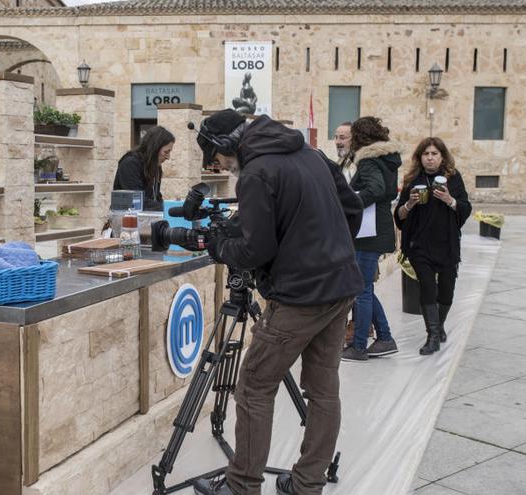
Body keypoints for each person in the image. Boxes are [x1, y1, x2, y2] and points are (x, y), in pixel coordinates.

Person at [192, 109, 364, 495]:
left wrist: (218, 244)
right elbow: (350, 209)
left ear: (225, 145)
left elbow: (255, 249)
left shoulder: (255, 173)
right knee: (323, 389)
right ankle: (307, 484)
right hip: (339, 284)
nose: (217, 166)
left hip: (300, 295)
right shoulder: (310, 153)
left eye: (215, 158)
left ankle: (241, 485)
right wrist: (327, 250)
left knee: (253, 386)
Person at [395, 137, 471, 355]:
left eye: (434, 153)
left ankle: (439, 324)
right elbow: (399, 215)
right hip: (420, 245)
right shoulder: (412, 180)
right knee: (427, 287)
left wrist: (449, 199)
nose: (429, 158)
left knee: (446, 291)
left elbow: (465, 208)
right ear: (420, 157)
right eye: (425, 154)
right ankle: (433, 336)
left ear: (442, 156)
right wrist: (409, 204)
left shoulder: (453, 179)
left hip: (447, 244)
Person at [341, 116, 401, 362]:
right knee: (363, 286)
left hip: (369, 233)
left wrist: (350, 202)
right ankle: (385, 338)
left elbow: (375, 190)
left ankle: (359, 347)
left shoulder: (369, 161)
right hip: (376, 229)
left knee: (361, 288)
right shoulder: (385, 159)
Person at [112, 126, 174, 211]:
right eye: (166, 152)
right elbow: (137, 201)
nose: (168, 157)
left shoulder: (155, 166)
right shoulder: (130, 164)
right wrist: (169, 208)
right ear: (155, 148)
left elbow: (155, 197)